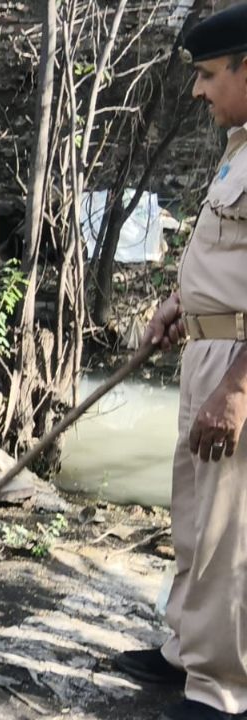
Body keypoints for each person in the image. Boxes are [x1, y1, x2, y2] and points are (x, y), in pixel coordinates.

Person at [114, 6, 247, 720]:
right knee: (195, 516)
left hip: (238, 366)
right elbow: (227, 254)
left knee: (230, 530)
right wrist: (178, 303)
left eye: (207, 74)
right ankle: (188, 649)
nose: (197, 90)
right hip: (208, 347)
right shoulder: (240, 145)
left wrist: (238, 388)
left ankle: (223, 690)